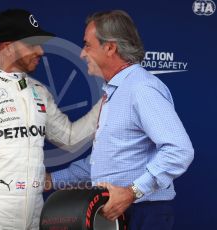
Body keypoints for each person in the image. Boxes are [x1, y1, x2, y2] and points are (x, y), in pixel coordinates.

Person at [0, 9, 102, 230]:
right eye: (32, 44)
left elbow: (70, 138)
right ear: (7, 47)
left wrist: (107, 101)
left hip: (34, 218)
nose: (40, 51)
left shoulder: (38, 91)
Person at [48, 10, 194, 230]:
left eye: (87, 45)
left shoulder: (141, 88)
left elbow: (180, 150)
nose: (82, 54)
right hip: (118, 211)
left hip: (142, 212)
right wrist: (51, 179)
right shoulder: (115, 93)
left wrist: (131, 192)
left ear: (110, 48)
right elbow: (106, 162)